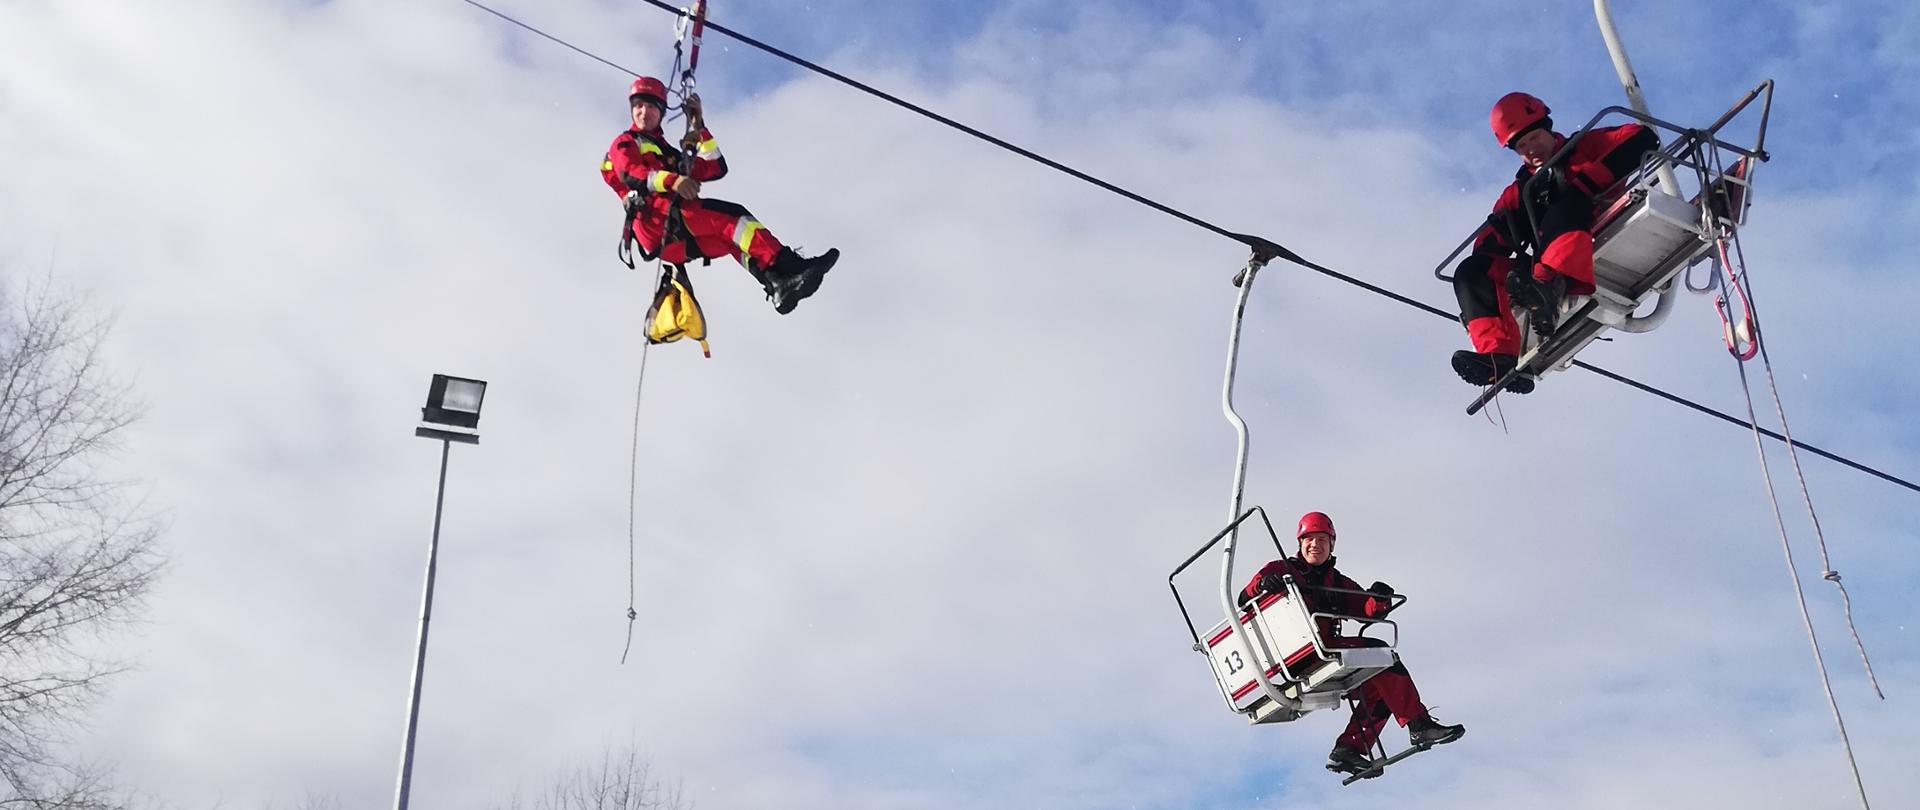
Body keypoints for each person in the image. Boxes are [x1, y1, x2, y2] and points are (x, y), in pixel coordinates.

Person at [1449, 91, 1660, 392]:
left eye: (1534, 138)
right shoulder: (1522, 192)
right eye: (1522, 147)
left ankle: (1550, 286)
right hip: (1544, 264)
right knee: (1471, 270)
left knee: (1569, 200)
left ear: (1547, 128)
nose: (1531, 149)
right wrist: (1488, 284)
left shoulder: (1584, 147)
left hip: (1593, 230)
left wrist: (1588, 182)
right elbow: (1489, 244)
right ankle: (1499, 356)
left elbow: (1642, 139)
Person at [1239, 511, 1465, 778]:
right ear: (1300, 543)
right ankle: (1419, 725)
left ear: (1331, 545)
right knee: (1379, 653)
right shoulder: (1281, 569)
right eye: (1309, 539)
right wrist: (1263, 585)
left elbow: (1364, 607)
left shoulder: (1336, 581)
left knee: (1383, 688)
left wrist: (1379, 599)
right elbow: (1244, 597)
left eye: (1322, 540)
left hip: (1325, 651)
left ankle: (1347, 750)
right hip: (1298, 653)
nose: (1315, 545)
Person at [601, 76, 839, 314]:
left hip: (673, 238)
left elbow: (715, 167)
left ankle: (777, 285)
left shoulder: (668, 154)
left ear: (661, 112)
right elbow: (632, 174)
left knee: (731, 240)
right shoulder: (625, 142)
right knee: (734, 218)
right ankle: (789, 264)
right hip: (658, 221)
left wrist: (699, 126)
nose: (644, 112)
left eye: (651, 106)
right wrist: (675, 181)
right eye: (638, 106)